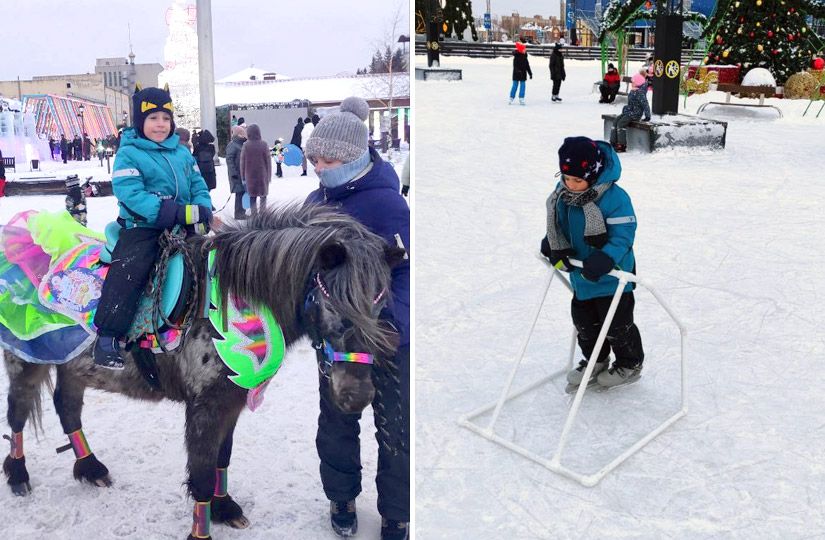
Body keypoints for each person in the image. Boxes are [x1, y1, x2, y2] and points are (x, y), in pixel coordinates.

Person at [304, 96, 410, 540]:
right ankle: (341, 496)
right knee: (337, 419)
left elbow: (406, 272)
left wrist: (394, 323)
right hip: (337, 337)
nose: (320, 168)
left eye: (328, 160)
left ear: (353, 156)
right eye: (315, 160)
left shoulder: (387, 205)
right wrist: (310, 311)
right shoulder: (314, 202)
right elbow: (306, 271)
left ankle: (397, 512)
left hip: (386, 337)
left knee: (396, 426)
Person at [91, 85, 213, 369]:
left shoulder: (182, 153)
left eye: (166, 118)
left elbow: (198, 185)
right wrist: (175, 212)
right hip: (143, 227)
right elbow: (130, 193)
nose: (160, 124)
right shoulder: (129, 153)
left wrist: (202, 208)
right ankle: (108, 336)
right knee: (133, 267)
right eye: (153, 118)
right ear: (139, 121)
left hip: (182, 226)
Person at [540, 136, 644, 390]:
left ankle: (629, 363)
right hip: (582, 275)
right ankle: (596, 360)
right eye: (566, 178)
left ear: (593, 174)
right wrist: (552, 244)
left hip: (613, 277)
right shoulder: (562, 195)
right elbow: (559, 226)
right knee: (584, 324)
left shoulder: (615, 198)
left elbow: (623, 236)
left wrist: (606, 257)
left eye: (578, 180)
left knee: (617, 325)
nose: (571, 185)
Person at [609, 72, 651, 153]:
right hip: (629, 112)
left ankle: (622, 145)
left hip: (635, 113)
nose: (632, 83)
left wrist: (647, 116)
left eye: (633, 82)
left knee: (621, 123)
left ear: (638, 83)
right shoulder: (632, 91)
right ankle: (613, 142)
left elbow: (645, 105)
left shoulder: (640, 93)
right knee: (616, 121)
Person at [239, 124, 271, 215]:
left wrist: (243, 177)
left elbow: (242, 163)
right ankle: (263, 215)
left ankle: (254, 215)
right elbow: (268, 162)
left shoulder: (246, 145)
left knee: (252, 198)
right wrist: (268, 176)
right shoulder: (264, 144)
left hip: (250, 176)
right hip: (262, 175)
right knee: (263, 197)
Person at [225, 125, 248, 219]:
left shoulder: (241, 144)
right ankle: (238, 213)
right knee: (239, 193)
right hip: (236, 174)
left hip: (242, 173)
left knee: (243, 192)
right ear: (239, 134)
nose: (244, 135)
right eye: (242, 134)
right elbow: (229, 160)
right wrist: (233, 173)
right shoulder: (233, 145)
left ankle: (242, 212)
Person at [509, 41, 532, 106]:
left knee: (523, 86)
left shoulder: (525, 57)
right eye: (524, 49)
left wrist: (530, 73)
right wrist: (518, 71)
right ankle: (511, 97)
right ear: (521, 50)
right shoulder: (516, 57)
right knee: (515, 86)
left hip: (523, 74)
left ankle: (521, 98)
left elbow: (527, 66)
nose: (525, 50)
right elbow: (515, 66)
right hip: (516, 74)